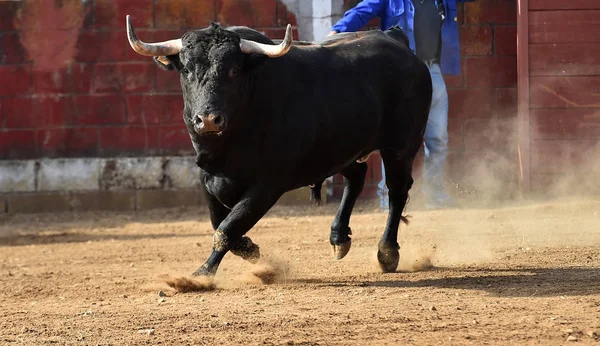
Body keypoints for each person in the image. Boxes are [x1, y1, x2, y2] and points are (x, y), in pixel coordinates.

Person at [328, 0, 473, 210]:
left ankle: (435, 196)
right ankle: (388, 198)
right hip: (402, 75)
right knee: (394, 142)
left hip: (433, 72)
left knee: (438, 138)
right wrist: (336, 32)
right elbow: (361, 12)